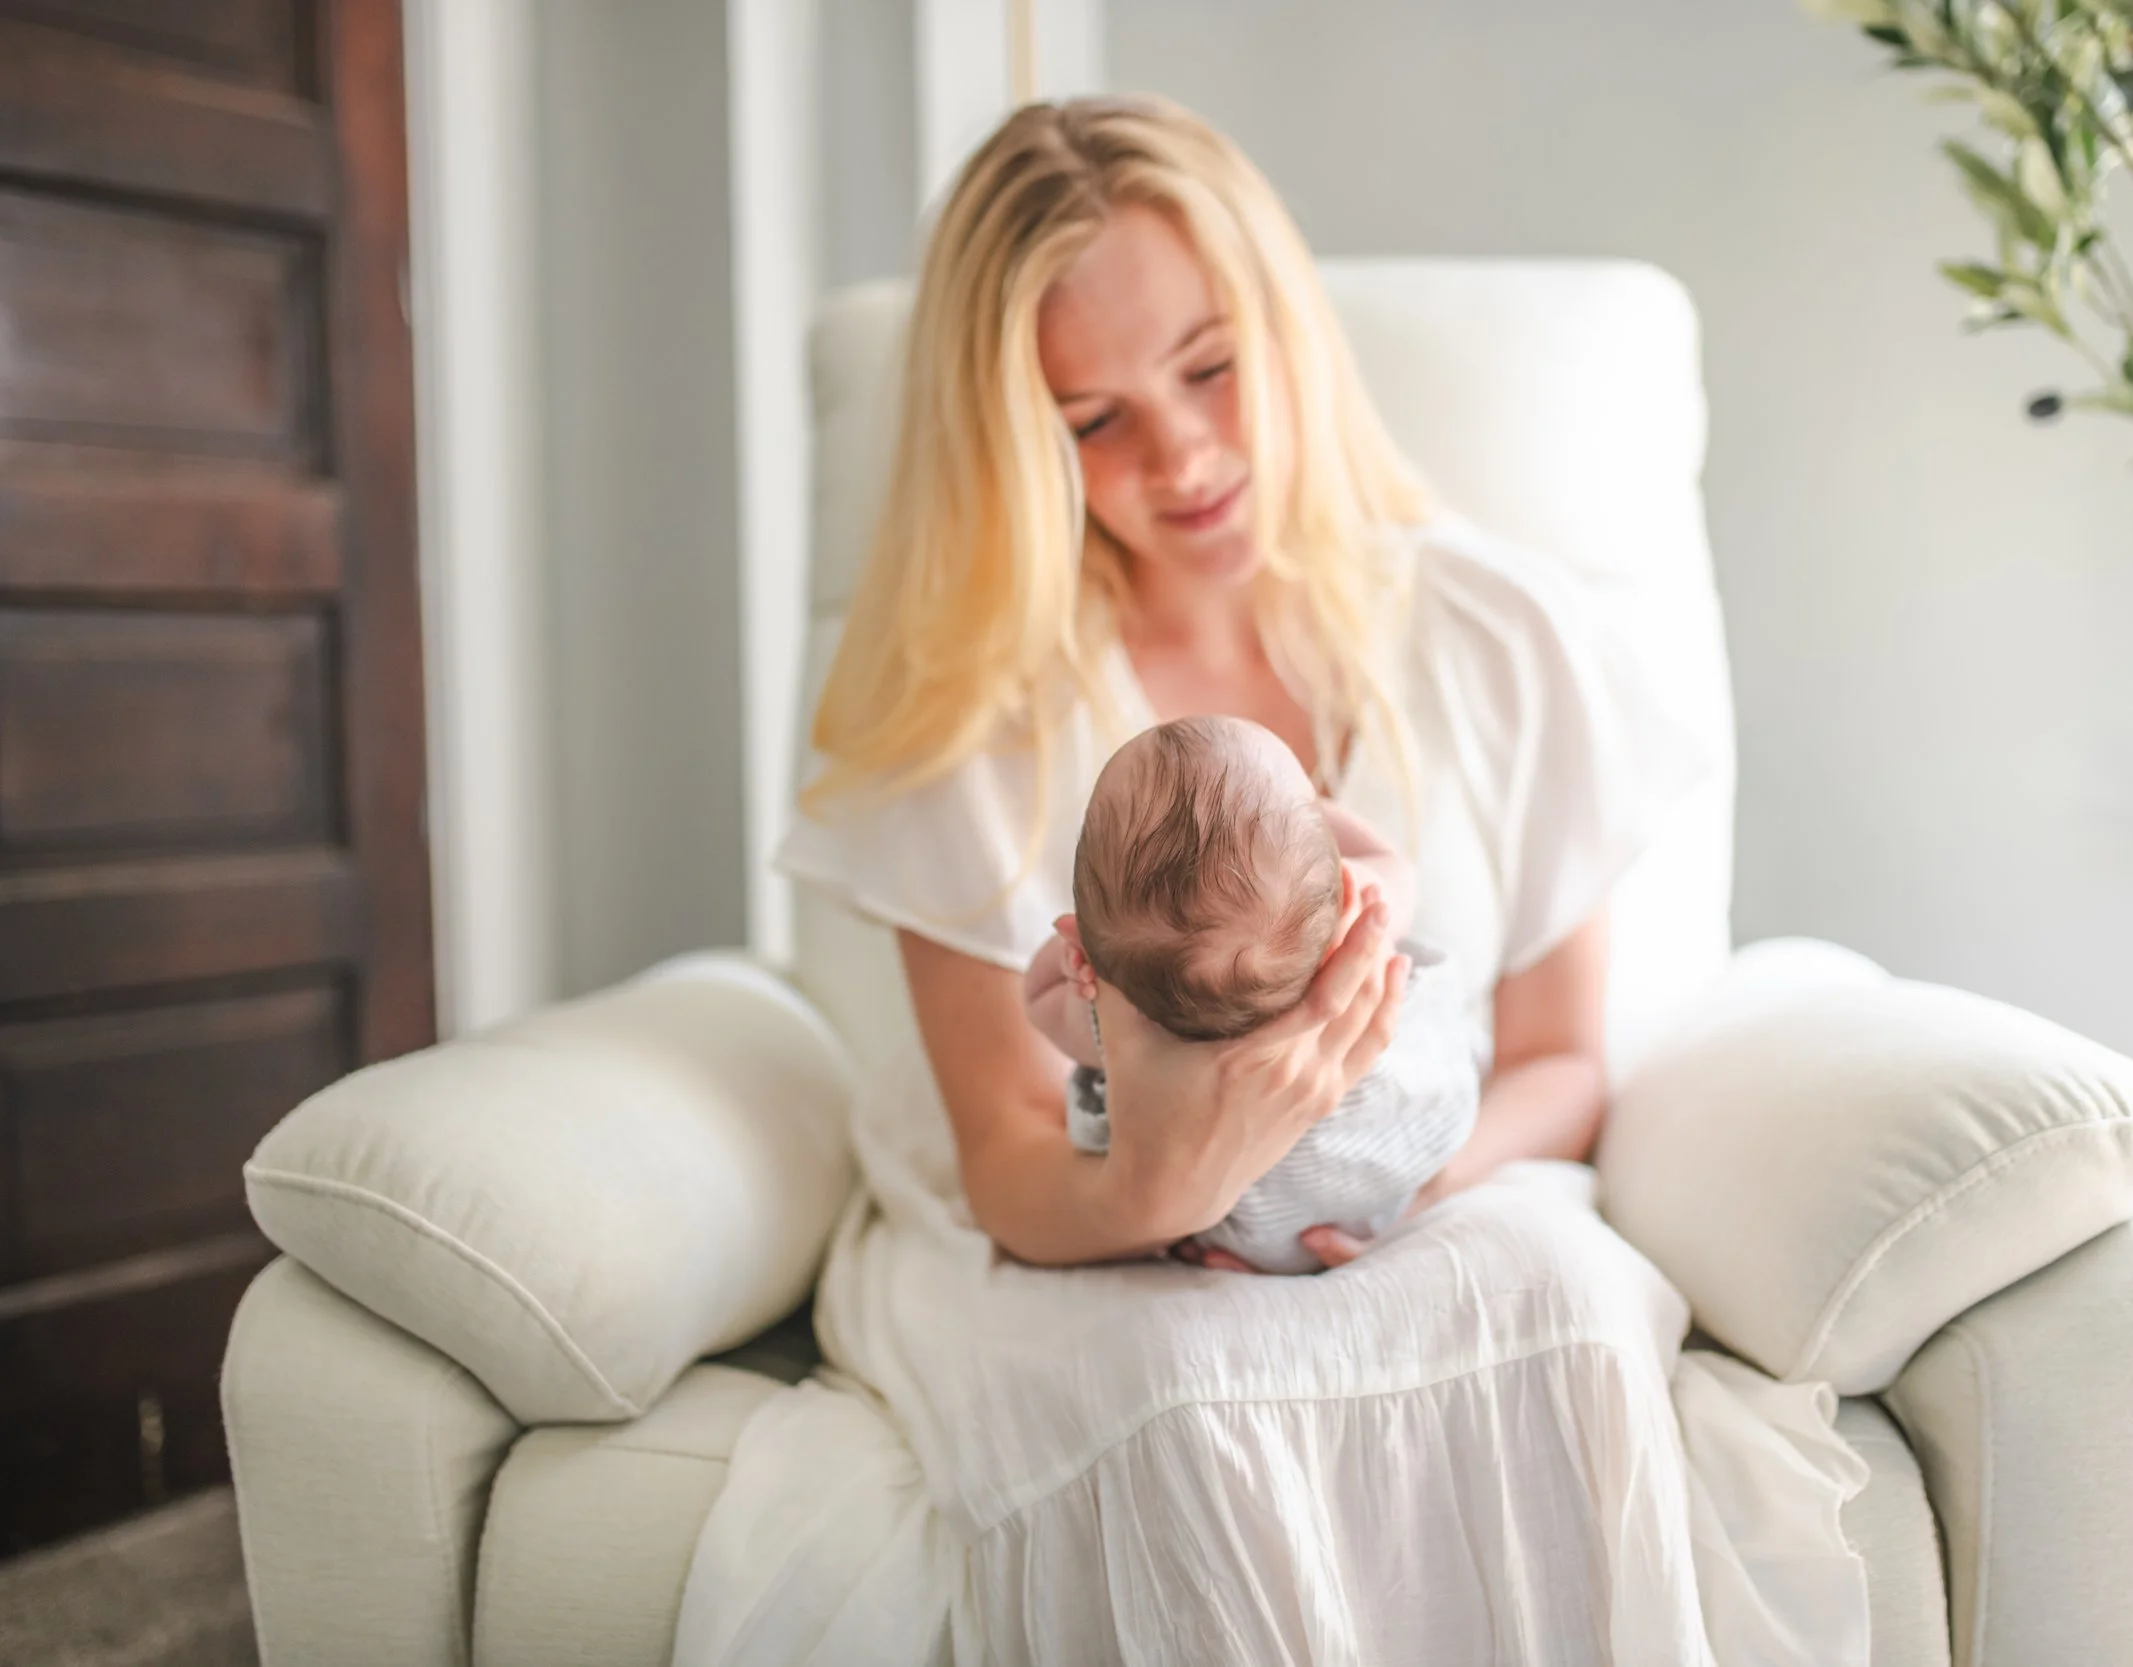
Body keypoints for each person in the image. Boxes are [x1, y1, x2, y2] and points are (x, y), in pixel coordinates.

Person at [682, 94, 1871, 1664]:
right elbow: (1007, 1155)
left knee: (1561, 1314)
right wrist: (1166, 1188)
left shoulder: (1498, 637)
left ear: (1285, 325)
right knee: (1197, 1395)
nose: (1180, 456)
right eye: (1090, 419)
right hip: (1068, 1238)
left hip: (1438, 1180)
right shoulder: (970, 715)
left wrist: (1389, 1183)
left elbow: (1562, 1054)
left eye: (1210, 366)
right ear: (1012, 444)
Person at [1024, 713, 1477, 1275]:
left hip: (1251, 1231)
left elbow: (1039, 998)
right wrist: (1304, 825)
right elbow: (1394, 865)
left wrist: (1083, 963)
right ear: (1335, 875)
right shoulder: (1355, 922)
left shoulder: (1113, 1031)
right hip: (1396, 1154)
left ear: (1079, 940)